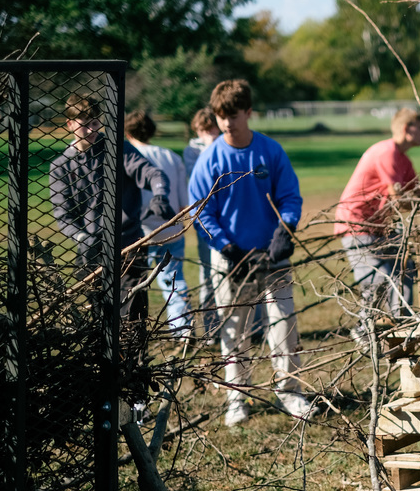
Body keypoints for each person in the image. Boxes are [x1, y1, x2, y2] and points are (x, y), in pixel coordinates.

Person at [187, 79, 315, 427]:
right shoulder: (210, 159)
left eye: (233, 115)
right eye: (221, 116)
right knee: (234, 329)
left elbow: (289, 196)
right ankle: (236, 398)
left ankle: (291, 392)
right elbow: (200, 210)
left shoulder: (270, 152)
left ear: (248, 113)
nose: (227, 123)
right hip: (230, 258)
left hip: (271, 256)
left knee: (283, 323)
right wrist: (226, 246)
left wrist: (283, 232)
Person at [49, 94, 175, 321]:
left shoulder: (118, 150)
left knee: (133, 316)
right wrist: (82, 237)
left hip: (129, 246)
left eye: (95, 123)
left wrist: (160, 194)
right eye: (84, 124)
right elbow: (63, 215)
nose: (91, 129)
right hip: (91, 252)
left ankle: (132, 357)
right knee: (100, 318)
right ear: (69, 124)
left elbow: (152, 173)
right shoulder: (60, 167)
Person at [334, 108, 420, 332]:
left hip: (378, 228)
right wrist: (419, 204)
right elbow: (398, 200)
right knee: (376, 279)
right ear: (406, 129)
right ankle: (363, 330)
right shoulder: (387, 152)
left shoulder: (402, 160)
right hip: (357, 224)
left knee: (404, 267)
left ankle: (398, 324)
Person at [125, 110, 192, 339]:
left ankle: (133, 330)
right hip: (169, 227)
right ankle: (181, 328)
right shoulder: (171, 156)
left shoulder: (128, 155)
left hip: (139, 231)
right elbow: (184, 201)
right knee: (174, 280)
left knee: (134, 284)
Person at [182, 107, 221, 338]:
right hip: (205, 219)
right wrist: (210, 147)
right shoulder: (192, 151)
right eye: (203, 130)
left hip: (229, 218)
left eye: (212, 129)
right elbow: (197, 176)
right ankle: (211, 329)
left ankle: (251, 326)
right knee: (208, 273)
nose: (209, 133)